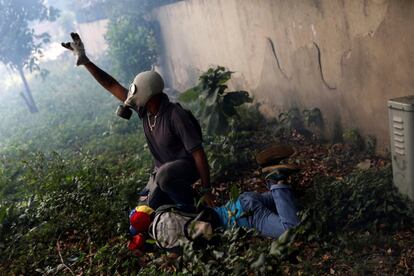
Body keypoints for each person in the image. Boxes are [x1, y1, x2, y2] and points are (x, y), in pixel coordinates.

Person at [61, 33, 213, 210]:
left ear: (150, 94)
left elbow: (198, 153)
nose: (132, 97)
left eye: (137, 92)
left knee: (164, 177)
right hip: (163, 172)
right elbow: (111, 84)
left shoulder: (175, 115)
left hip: (186, 169)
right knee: (144, 210)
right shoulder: (146, 110)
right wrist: (85, 61)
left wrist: (206, 189)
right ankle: (177, 199)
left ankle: (194, 208)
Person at [127, 165, 300, 254]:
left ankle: (276, 178)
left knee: (291, 230)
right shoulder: (165, 210)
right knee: (290, 202)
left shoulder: (167, 229)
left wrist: (211, 245)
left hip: (248, 217)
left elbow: (205, 229)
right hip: (241, 201)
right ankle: (278, 182)